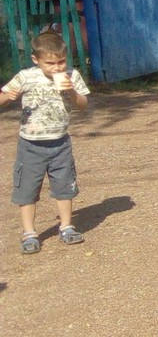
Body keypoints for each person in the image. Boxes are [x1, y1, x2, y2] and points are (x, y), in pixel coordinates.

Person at [1, 30, 91, 254]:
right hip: (31, 145)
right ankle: (29, 232)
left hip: (60, 142)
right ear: (36, 60)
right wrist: (7, 97)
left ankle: (66, 226)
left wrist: (70, 91)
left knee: (64, 186)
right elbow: (2, 98)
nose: (57, 67)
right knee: (27, 189)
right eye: (50, 63)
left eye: (61, 61)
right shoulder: (26, 76)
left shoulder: (71, 75)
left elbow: (82, 105)